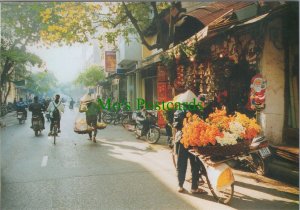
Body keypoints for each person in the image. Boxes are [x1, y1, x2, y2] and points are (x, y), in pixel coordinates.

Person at [173, 109, 205, 194]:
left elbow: (175, 126)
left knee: (181, 163)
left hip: (182, 139)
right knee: (195, 164)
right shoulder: (196, 109)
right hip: (193, 139)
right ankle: (194, 188)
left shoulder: (178, 111)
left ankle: (180, 186)